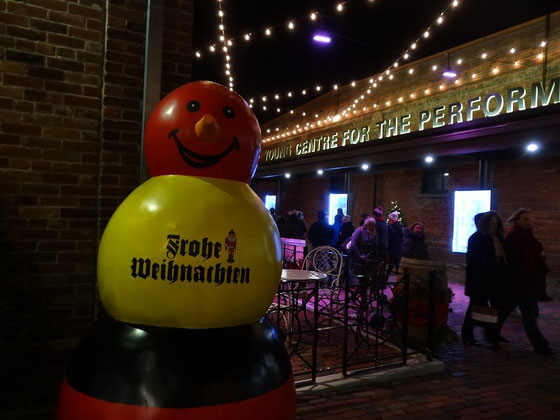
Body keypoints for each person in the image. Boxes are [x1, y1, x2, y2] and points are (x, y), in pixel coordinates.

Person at [501, 208, 553, 355]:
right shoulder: (514, 236)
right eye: (525, 219)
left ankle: (491, 331)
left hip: (526, 282)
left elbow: (533, 252)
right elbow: (517, 261)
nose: (528, 221)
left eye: (529, 219)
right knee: (529, 314)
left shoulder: (526, 234)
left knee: (508, 310)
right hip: (520, 282)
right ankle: (540, 346)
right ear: (517, 220)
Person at [461, 211, 508, 345]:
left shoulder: (498, 238)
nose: (494, 224)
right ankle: (474, 334)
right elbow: (474, 261)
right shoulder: (476, 238)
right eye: (491, 222)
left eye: (496, 222)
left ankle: (491, 334)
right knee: (477, 308)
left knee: (495, 308)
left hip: (496, 280)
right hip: (480, 280)